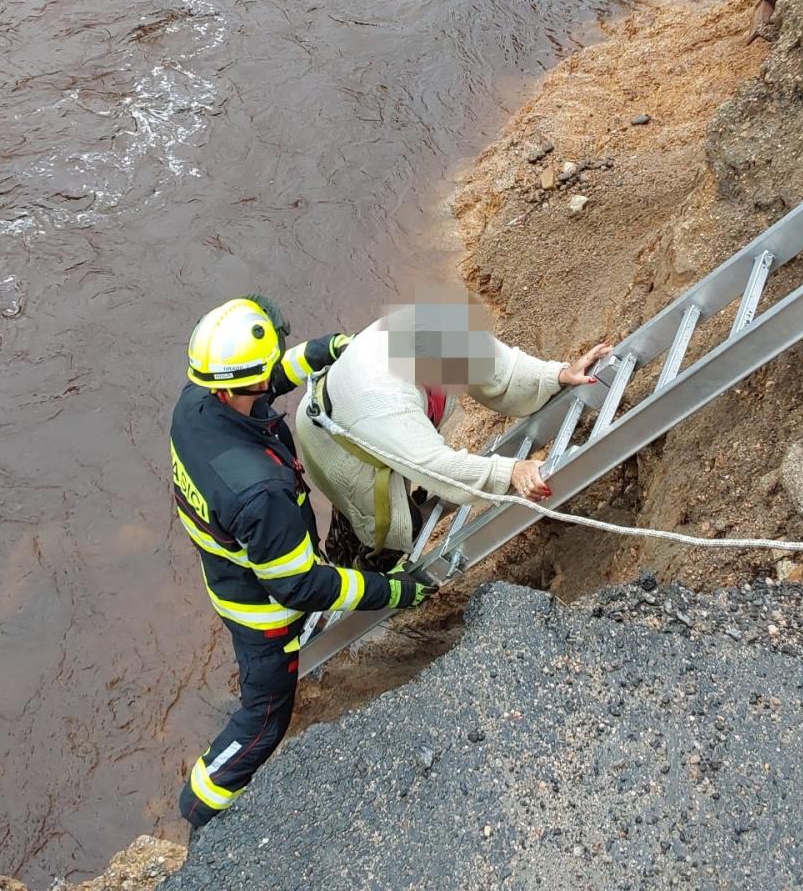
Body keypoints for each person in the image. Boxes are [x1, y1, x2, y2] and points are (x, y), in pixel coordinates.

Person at [170, 295, 433, 830]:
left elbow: (266, 382)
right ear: (235, 381)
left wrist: (325, 351)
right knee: (265, 718)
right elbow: (301, 587)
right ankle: (200, 808)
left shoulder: (197, 405)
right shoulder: (259, 491)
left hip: (232, 565)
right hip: (261, 612)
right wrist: (396, 592)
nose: (279, 366)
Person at [293, 299, 610, 569]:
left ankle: (351, 548)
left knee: (389, 477)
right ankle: (370, 568)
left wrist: (556, 374)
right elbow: (431, 464)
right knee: (383, 522)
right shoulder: (382, 396)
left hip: (356, 413)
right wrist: (509, 471)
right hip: (334, 444)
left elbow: (502, 368)